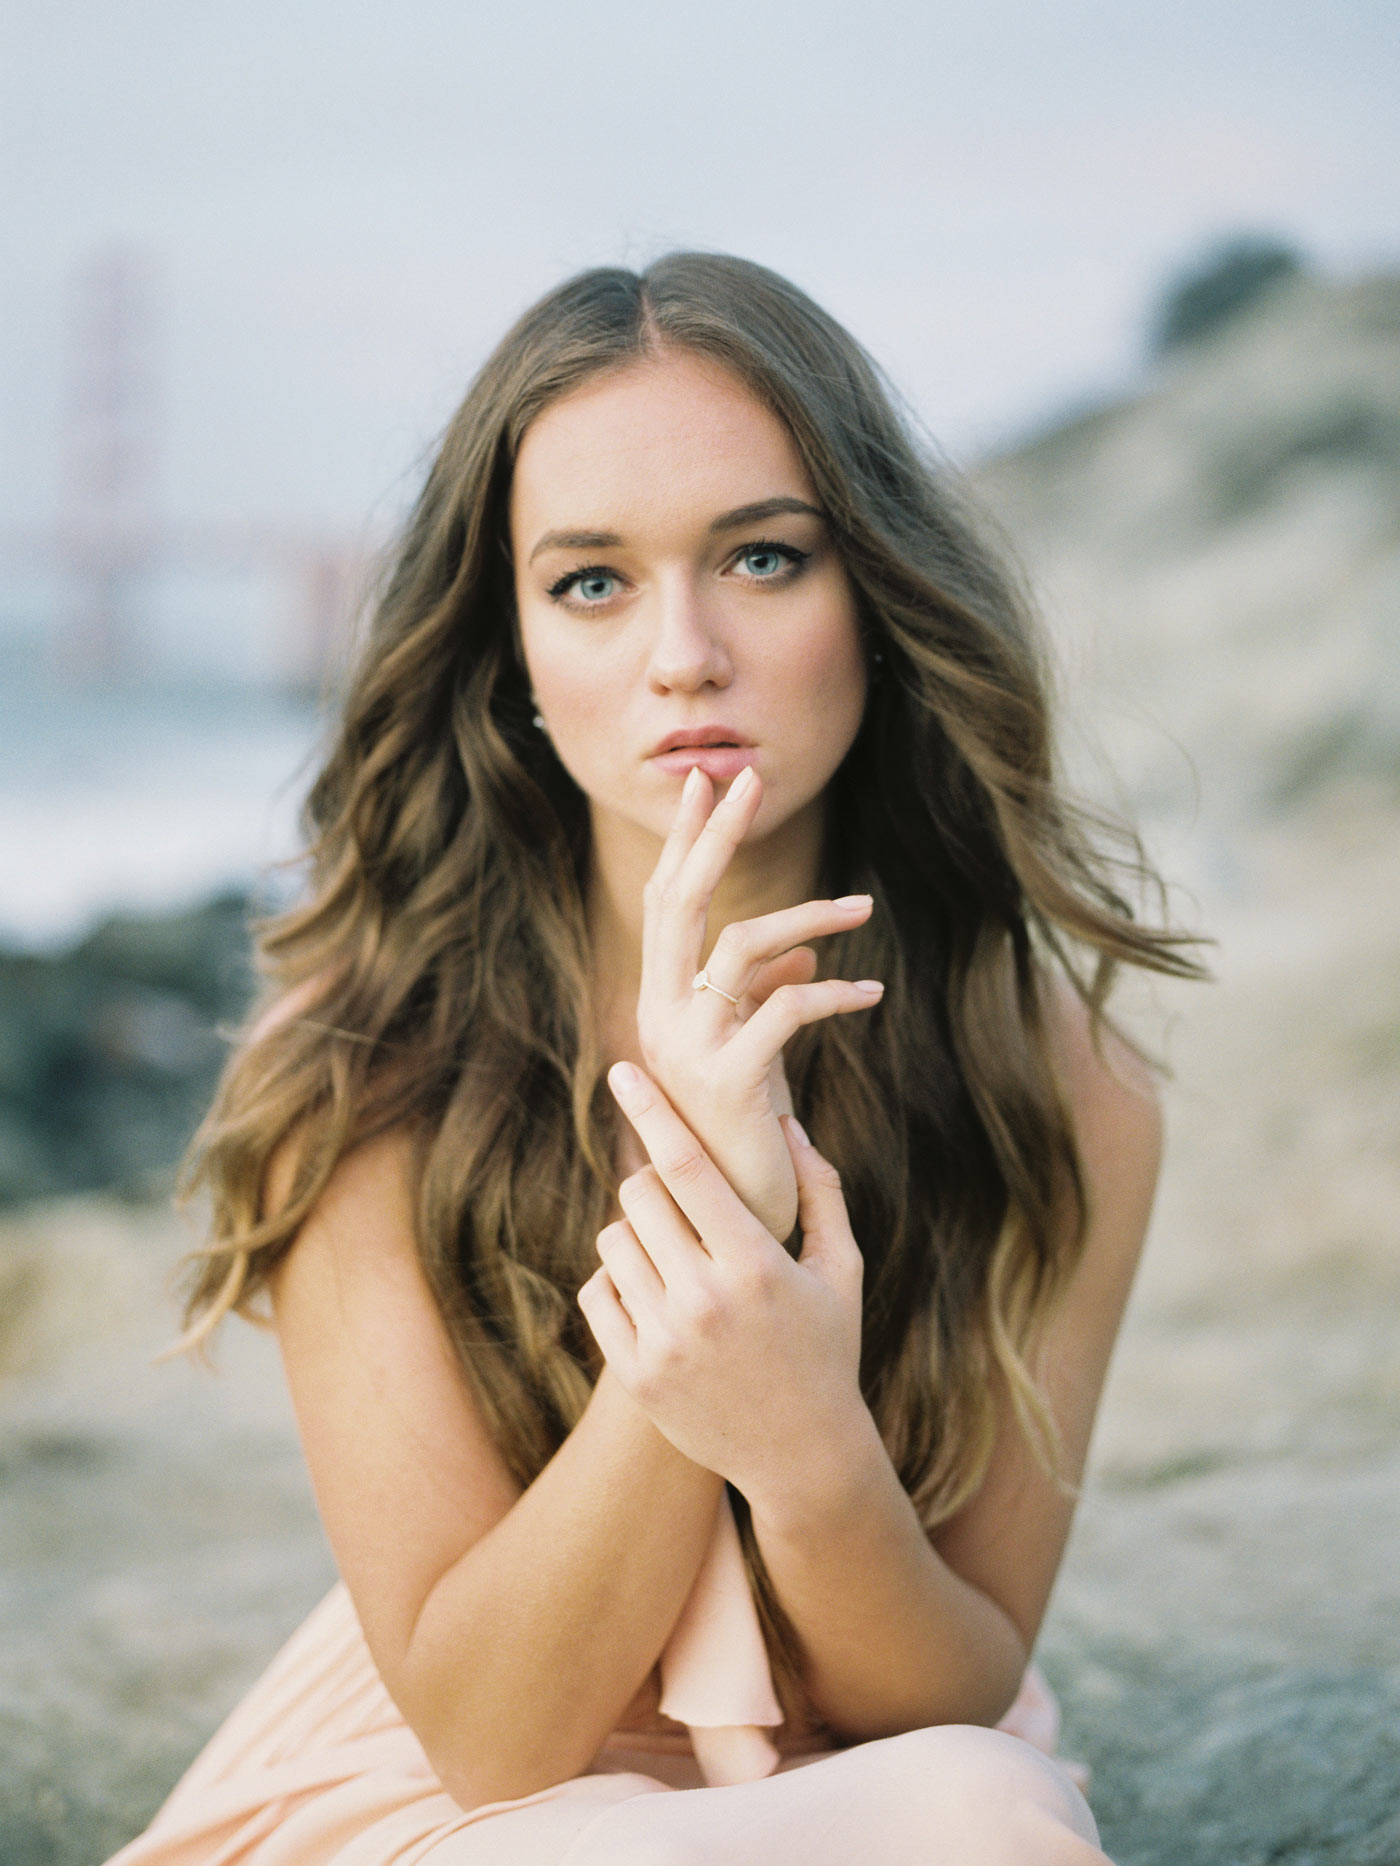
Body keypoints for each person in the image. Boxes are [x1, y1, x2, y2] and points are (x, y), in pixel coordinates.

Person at [107, 252, 1201, 1865]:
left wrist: (804, 1435)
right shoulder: (361, 1065)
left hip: (892, 1779)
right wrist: (704, 1238)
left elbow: (959, 1689)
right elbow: (490, 1732)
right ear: (516, 657)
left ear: (876, 598)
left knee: (988, 1814)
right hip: (460, 1789)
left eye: (762, 557)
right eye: (592, 581)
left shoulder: (1058, 1078)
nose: (682, 651)